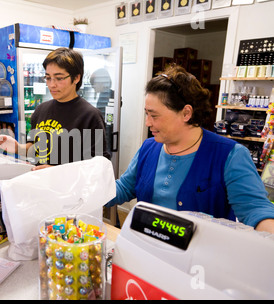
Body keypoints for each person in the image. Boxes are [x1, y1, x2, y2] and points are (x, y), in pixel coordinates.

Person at [106, 65, 274, 233]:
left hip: (201, 257)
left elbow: (256, 209)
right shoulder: (149, 147)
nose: (148, 123)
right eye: (146, 114)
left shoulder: (229, 155)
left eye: (154, 115)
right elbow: (124, 188)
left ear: (186, 113)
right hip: (149, 249)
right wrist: (86, 192)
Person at [0, 47, 110, 170]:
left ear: (76, 78)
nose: (52, 84)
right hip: (42, 184)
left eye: (59, 78)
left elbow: (98, 166)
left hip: (70, 188)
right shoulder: (41, 110)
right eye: (48, 78)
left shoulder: (90, 115)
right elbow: (35, 147)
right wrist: (17, 147)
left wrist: (56, 172)